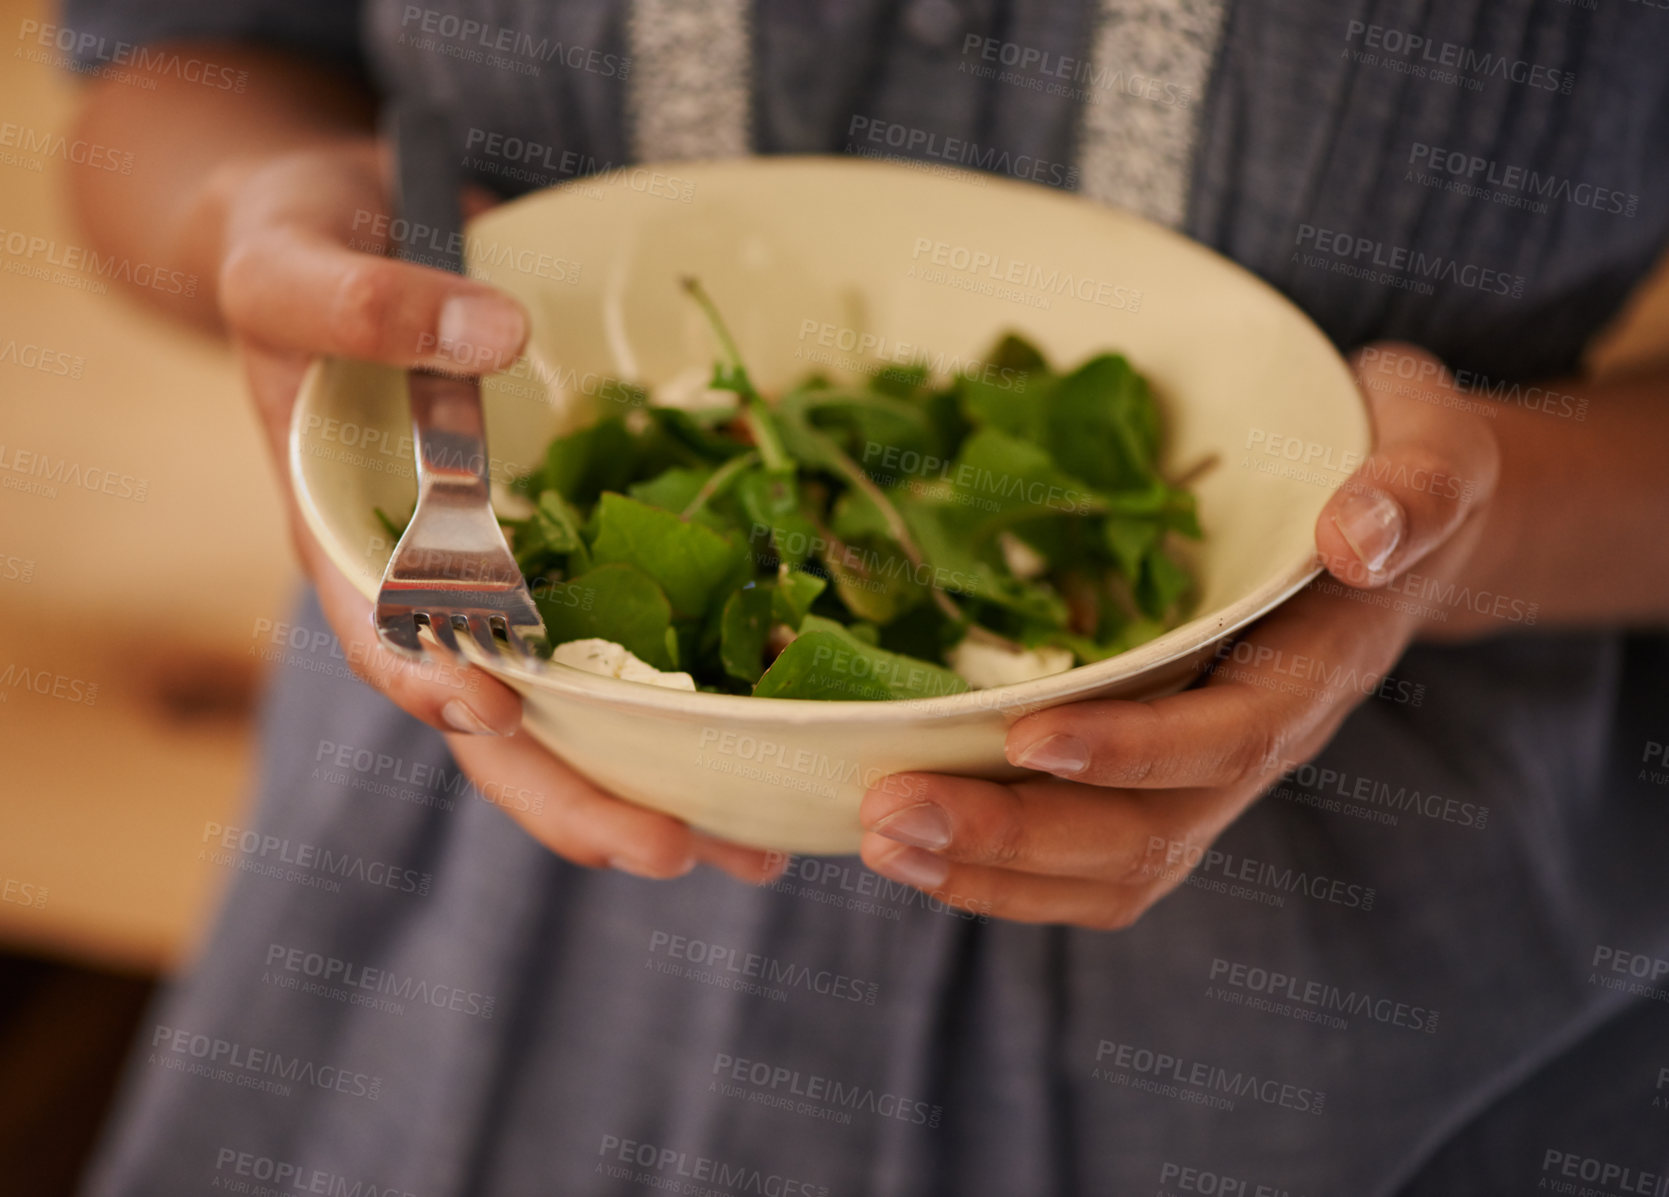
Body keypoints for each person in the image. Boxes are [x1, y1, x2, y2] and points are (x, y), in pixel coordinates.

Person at [62, 1, 1669, 1193]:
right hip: (446, 940)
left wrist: (1465, 519)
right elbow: (167, 74)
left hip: (1366, 1035)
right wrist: (252, 219)